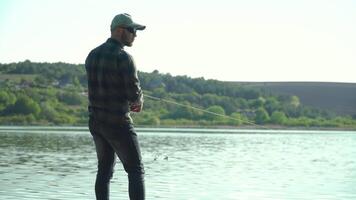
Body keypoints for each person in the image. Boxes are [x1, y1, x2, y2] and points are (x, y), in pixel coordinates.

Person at [85, 13, 146, 200]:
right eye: (132, 30)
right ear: (120, 30)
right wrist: (139, 101)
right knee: (136, 170)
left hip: (96, 122)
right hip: (118, 123)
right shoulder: (125, 58)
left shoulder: (92, 55)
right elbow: (133, 95)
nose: (135, 35)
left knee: (104, 170)